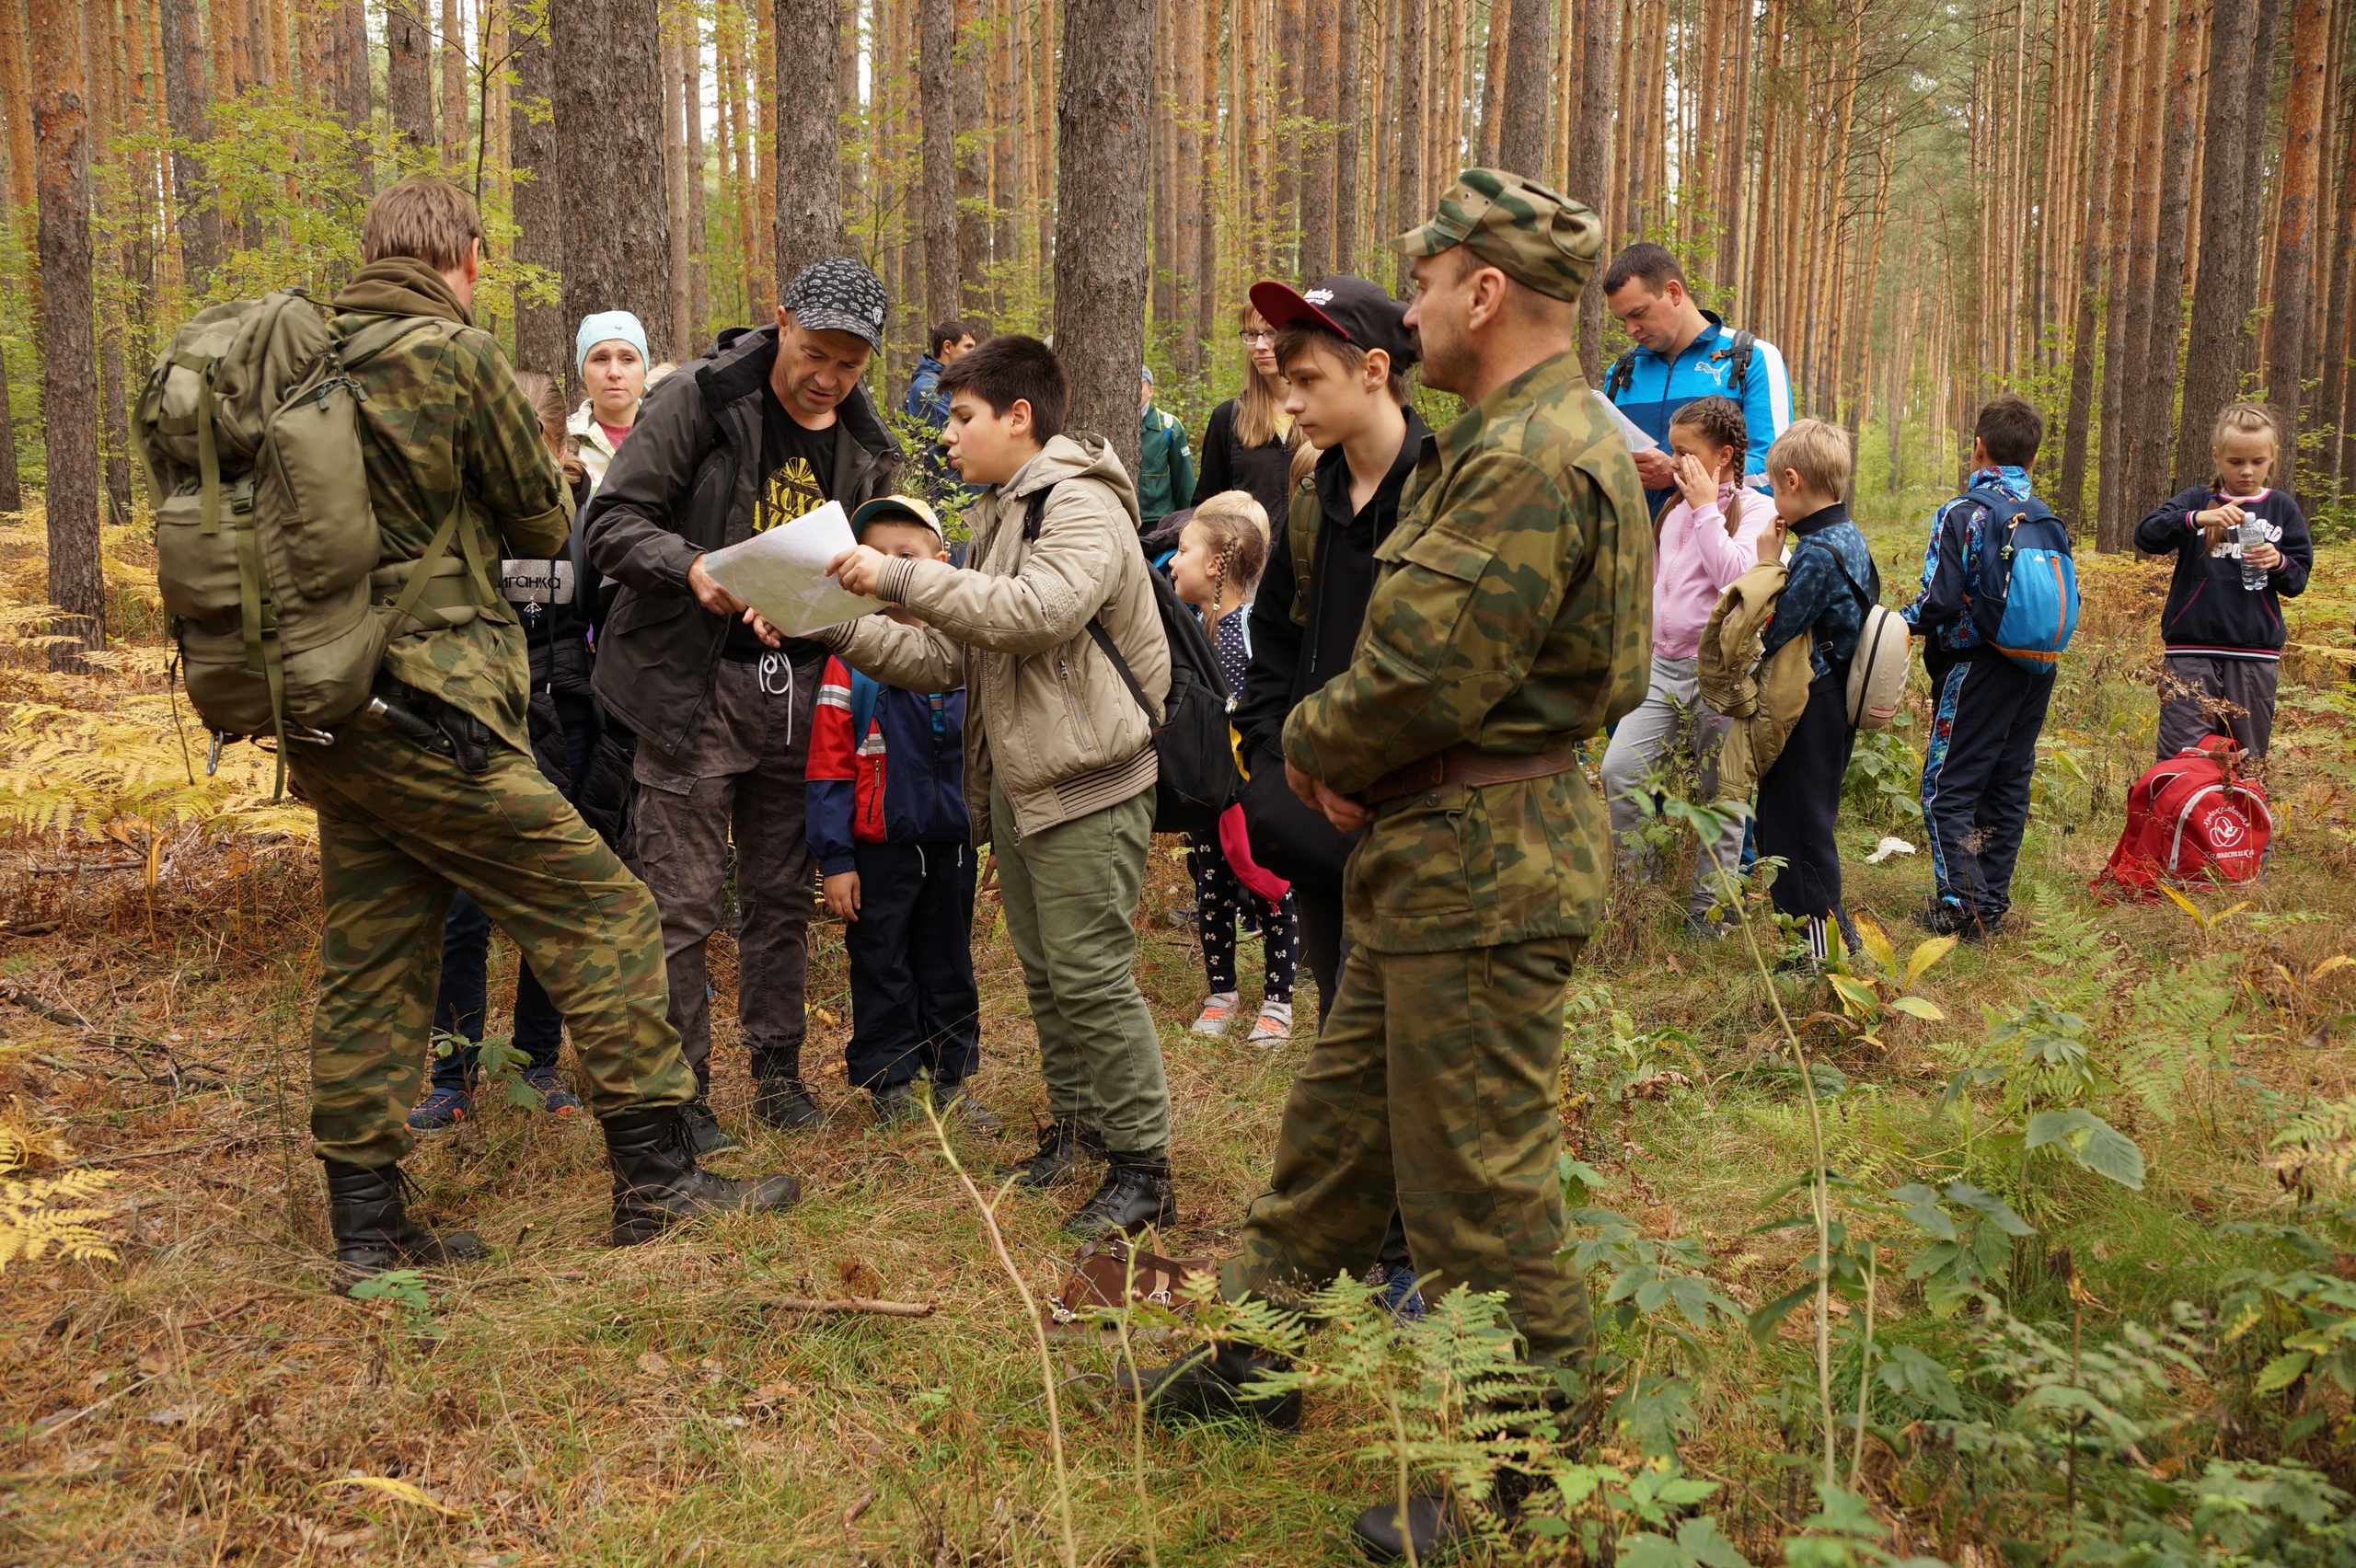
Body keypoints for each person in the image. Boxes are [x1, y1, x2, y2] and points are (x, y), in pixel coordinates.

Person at [1126, 170, 1648, 1561]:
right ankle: (1253, 1369)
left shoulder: (1531, 450)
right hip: (1438, 865)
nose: (1408, 308)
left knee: (1480, 1195)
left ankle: (1530, 1497)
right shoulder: (1520, 436)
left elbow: (1420, 671)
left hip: (1482, 869)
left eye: (1420, 285)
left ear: (1483, 291)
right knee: (1334, 1152)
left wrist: (1306, 744)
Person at [296, 176, 796, 1277]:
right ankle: (658, 1183)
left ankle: (367, 1226)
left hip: (329, 708)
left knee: (374, 952)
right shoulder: (454, 355)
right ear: (464, 256)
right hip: (436, 706)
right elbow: (540, 516)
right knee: (610, 912)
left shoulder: (308, 355)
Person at [819, 334, 1178, 1241]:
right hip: (1027, 785)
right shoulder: (1001, 515)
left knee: (1091, 976)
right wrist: (834, 623)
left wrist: (901, 573)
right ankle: (1079, 1132)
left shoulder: (1080, 503)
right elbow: (947, 656)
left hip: (1091, 778)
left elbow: (1038, 612)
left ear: (1019, 419)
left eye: (963, 416)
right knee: (1051, 978)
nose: (948, 436)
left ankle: (1144, 1169)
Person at [583, 256, 903, 1153]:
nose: (829, 376)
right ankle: (680, 1095)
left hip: (798, 684)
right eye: (816, 351)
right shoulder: (697, 398)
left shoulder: (868, 445)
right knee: (680, 903)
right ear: (782, 317)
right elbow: (610, 525)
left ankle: (776, 1071)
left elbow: (869, 563)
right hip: (688, 682)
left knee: (777, 893)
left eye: (849, 362)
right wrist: (695, 570)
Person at [1242, 272, 1435, 1318]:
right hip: (1318, 822)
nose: (1289, 404)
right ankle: (1366, 1240)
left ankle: (1413, 1258)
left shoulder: (1446, 493)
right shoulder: (1311, 502)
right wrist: (1280, 764)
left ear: (1374, 370)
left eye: (1306, 379)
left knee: (1410, 1039)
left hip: (1413, 826)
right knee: (1341, 1024)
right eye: (1280, 380)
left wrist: (1377, 776)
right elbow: (1275, 646)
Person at [409, 369, 603, 1132]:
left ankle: (539, 1063)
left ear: (559, 444)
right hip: (478, 722)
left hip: (570, 722)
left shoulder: (588, 512)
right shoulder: (460, 514)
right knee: (462, 907)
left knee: (551, 899)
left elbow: (600, 615)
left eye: (534, 444)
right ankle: (452, 1074)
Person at [806, 494, 999, 1132]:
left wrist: (995, 834)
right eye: (876, 556)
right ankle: (891, 1080)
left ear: (941, 562)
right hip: (879, 850)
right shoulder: (852, 659)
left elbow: (993, 750)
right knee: (881, 961)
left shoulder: (971, 649)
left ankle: (951, 1080)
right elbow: (830, 767)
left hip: (953, 845)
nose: (889, 569)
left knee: (948, 961)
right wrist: (836, 860)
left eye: (905, 556)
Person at [1600, 396, 1776, 935]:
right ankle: (1641, 898)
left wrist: (1705, 507)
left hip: (1720, 677)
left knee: (1717, 793)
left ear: (1723, 455)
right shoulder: (1671, 511)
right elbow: (1657, 587)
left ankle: (1710, 917)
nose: (1674, 463)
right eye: (1673, 451)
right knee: (1620, 773)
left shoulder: (1756, 511)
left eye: (1685, 452)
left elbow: (1737, 583)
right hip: (1659, 670)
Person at [1900, 395, 2064, 940]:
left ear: (1978, 448)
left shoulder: (1962, 513)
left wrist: (1894, 622)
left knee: (1947, 786)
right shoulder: (2046, 518)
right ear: (2034, 458)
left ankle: (1962, 906)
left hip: (1974, 666)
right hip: (2036, 667)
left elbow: (1939, 602)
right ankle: (1990, 901)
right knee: (2007, 785)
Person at [1168, 490, 1299, 1046]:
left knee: (1271, 888)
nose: (1172, 562)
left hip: (1253, 791)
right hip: (1208, 791)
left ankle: (1279, 1002)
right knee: (1213, 886)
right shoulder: (1193, 631)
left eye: (1183, 550)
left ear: (1216, 563)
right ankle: (1221, 992)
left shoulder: (1250, 626)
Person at [1752, 419, 1875, 963]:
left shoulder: (1817, 554)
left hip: (1811, 702)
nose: (1774, 497)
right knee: (1804, 820)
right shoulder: (1848, 538)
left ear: (1794, 481)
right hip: (1834, 700)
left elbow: (1774, 629)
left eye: (1776, 487)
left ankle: (1818, 951)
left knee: (1796, 829)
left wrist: (1764, 563)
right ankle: (1827, 941)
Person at [2134, 400, 2313, 763]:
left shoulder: (2281, 508)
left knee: (2246, 762)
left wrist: (2277, 562)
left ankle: (2239, 822)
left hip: (2253, 654)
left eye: (2257, 462)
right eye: (2236, 462)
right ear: (2217, 456)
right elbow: (2146, 535)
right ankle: (2179, 821)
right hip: (2190, 652)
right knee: (2181, 760)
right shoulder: (2199, 500)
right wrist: (2198, 518)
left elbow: (2297, 580)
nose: (2247, 471)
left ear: (2272, 458)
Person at [1599, 242, 1791, 508]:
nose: (1631, 329)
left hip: (1719, 545)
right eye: (1623, 320)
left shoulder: (1752, 358)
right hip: (1633, 547)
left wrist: (1676, 473)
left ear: (1674, 292)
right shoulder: (1621, 373)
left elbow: (1776, 472)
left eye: (1638, 313)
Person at [1194, 302, 1306, 528]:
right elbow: (1207, 507)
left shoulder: (1323, 413)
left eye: (1271, 333)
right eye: (1252, 334)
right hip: (1247, 560)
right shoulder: (1228, 417)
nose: (1260, 345)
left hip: (1312, 559)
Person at [568, 311, 650, 491]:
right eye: (601, 359)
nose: (614, 372)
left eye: (628, 359)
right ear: (583, 372)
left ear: (644, 369)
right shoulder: (560, 441)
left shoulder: (671, 437)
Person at [1137, 365, 1196, 533]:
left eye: (1139, 385)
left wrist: (1188, 521)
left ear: (1150, 391)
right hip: (1118, 518)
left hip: (1158, 521)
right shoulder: (1110, 425)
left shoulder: (1169, 427)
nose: (1133, 390)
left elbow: (1184, 482)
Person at [904, 318, 976, 432]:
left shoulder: (954, 383)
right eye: (968, 347)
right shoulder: (928, 388)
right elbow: (962, 432)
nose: (974, 353)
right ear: (947, 347)